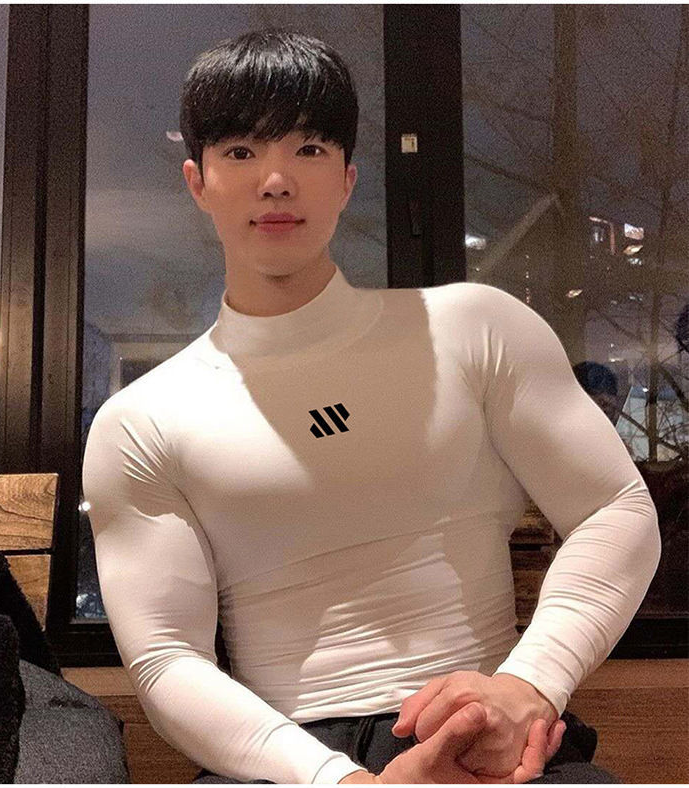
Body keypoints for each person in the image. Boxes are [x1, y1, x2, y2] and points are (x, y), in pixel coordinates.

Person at [81, 28, 661, 784]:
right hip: (285, 762)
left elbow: (616, 508)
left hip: (487, 735)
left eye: (309, 149)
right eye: (242, 152)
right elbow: (166, 659)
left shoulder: (477, 328)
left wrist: (529, 686)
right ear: (198, 180)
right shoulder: (142, 419)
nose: (276, 181)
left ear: (347, 177)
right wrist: (341, 780)